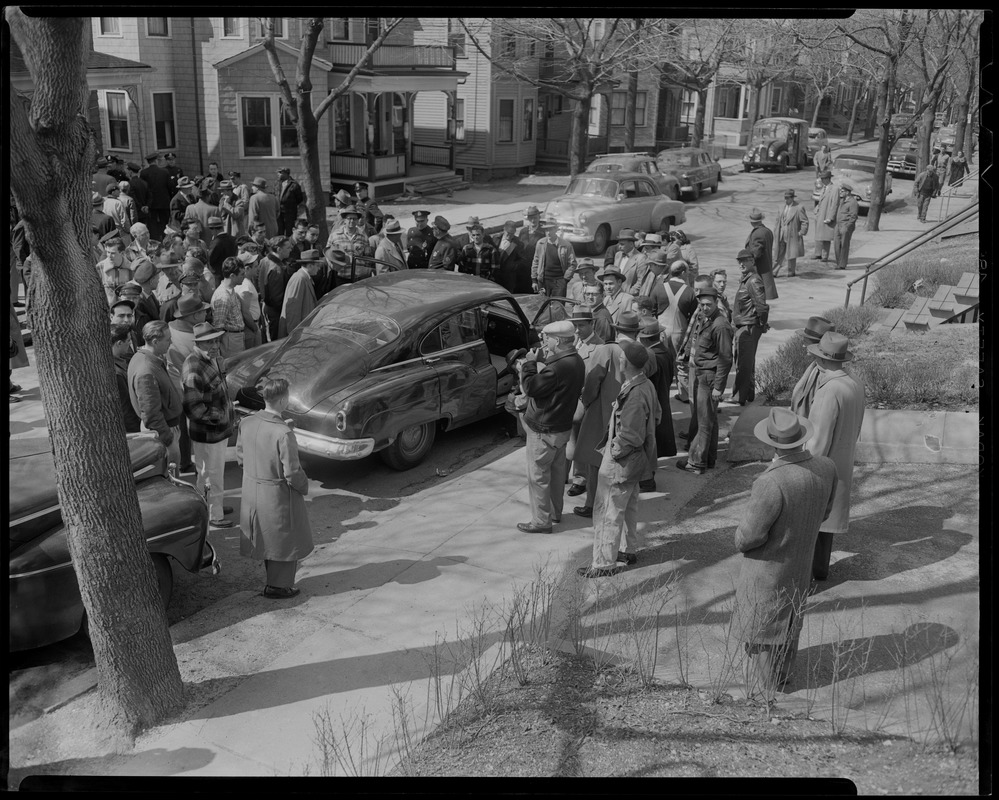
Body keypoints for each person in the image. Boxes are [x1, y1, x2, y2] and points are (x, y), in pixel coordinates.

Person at [732, 407, 837, 701]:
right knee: (790, 622)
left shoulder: (771, 482)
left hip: (767, 571)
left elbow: (749, 536)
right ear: (802, 437)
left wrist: (738, 537)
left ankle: (769, 697)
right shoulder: (826, 467)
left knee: (763, 634)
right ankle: (785, 676)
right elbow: (825, 512)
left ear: (771, 442)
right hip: (801, 563)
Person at [577, 340, 660, 578]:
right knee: (629, 506)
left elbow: (630, 436)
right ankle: (627, 549)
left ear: (627, 363)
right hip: (637, 460)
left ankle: (603, 564)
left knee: (607, 512)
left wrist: (613, 453)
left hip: (622, 461)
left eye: (622, 356)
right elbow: (657, 418)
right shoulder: (645, 385)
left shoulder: (634, 394)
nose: (619, 358)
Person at [237, 377, 314, 599]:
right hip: (277, 493)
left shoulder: (247, 422)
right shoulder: (283, 433)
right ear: (282, 401)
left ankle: (274, 582)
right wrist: (303, 486)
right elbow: (292, 472)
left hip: (254, 489)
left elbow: (241, 457)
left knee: (266, 538)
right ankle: (279, 587)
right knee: (284, 539)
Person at [797, 332, 866, 581]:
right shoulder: (854, 382)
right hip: (844, 460)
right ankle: (820, 571)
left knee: (812, 522)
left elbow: (818, 439)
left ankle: (808, 576)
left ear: (823, 360)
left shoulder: (830, 390)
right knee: (826, 527)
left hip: (824, 465)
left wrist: (803, 467)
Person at [517, 320, 586, 534]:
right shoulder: (576, 361)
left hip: (544, 430)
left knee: (538, 476)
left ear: (557, 340)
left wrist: (529, 364)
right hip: (562, 428)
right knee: (557, 474)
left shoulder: (557, 368)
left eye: (546, 338)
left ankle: (541, 521)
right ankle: (555, 513)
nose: (544, 343)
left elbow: (530, 388)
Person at [181, 322, 237, 528]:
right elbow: (193, 408)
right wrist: (220, 415)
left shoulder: (210, 360)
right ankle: (214, 515)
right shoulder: (194, 365)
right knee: (209, 475)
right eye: (209, 342)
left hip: (215, 431)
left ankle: (215, 507)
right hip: (209, 432)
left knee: (212, 473)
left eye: (216, 340)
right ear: (198, 343)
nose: (215, 345)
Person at [570, 317, 624, 518]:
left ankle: (593, 504)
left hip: (602, 412)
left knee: (595, 460)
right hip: (625, 415)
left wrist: (584, 401)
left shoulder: (606, 350)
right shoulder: (638, 350)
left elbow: (592, 383)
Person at [676, 286, 732, 475]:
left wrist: (719, 387)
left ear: (716, 302)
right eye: (702, 304)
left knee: (703, 421)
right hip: (702, 373)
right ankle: (708, 459)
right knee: (710, 420)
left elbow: (726, 358)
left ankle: (696, 463)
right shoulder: (705, 318)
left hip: (709, 377)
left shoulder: (720, 325)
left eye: (709, 304)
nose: (705, 307)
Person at [127, 320, 184, 465]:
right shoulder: (146, 370)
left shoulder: (144, 359)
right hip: (162, 431)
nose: (171, 342)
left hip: (163, 428)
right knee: (171, 479)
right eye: (167, 339)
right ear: (155, 341)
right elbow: (151, 414)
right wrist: (168, 438)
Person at [566, 307, 606, 498]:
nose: (578, 329)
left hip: (583, 403)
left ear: (592, 324)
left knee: (580, 442)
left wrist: (584, 402)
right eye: (575, 325)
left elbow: (594, 381)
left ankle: (580, 478)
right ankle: (568, 474)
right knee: (570, 441)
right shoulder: (576, 342)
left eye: (582, 325)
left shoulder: (599, 347)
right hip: (569, 400)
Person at [638, 317, 676, 492]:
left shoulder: (651, 357)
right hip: (663, 396)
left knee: (649, 441)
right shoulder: (666, 351)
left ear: (644, 338)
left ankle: (647, 479)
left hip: (654, 403)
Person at [730, 249, 769, 406]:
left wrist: (761, 323)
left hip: (748, 327)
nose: (741, 263)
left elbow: (762, 307)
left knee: (743, 364)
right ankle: (748, 394)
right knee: (747, 361)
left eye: (745, 260)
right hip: (746, 326)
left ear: (752, 262)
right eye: (739, 261)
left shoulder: (753, 281)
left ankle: (739, 396)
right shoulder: (747, 279)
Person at [789, 316, 837, 418]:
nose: (803, 346)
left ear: (817, 345)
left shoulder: (824, 374)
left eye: (806, 342)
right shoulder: (815, 365)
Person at [657, 260, 697, 358]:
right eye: (687, 272)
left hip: (660, 332)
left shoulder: (659, 288)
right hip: (679, 335)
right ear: (683, 273)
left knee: (661, 361)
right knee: (678, 365)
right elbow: (694, 316)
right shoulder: (690, 292)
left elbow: (652, 310)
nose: (688, 274)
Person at [278, 249, 321, 338]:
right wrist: (294, 336)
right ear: (310, 265)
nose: (319, 268)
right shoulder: (299, 279)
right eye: (317, 265)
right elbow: (293, 310)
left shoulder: (305, 278)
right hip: (296, 334)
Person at [210, 257, 247, 359]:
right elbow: (218, 327)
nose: (244, 276)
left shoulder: (230, 290)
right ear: (232, 276)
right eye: (242, 274)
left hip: (236, 337)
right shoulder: (223, 297)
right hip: (231, 340)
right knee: (234, 368)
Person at [111, 324, 142, 432]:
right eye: (128, 341)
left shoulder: (119, 363)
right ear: (119, 343)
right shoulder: (116, 374)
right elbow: (126, 408)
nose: (130, 344)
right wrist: (137, 431)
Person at [531, 223, 576, 296]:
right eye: (546, 230)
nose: (548, 232)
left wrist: (565, 279)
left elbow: (572, 263)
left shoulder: (566, 245)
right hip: (543, 280)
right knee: (543, 304)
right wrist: (534, 280)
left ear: (556, 229)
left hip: (559, 281)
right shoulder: (540, 243)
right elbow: (535, 261)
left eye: (550, 229)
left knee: (557, 305)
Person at [773, 189, 809, 278]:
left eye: (788, 198)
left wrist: (801, 232)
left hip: (792, 234)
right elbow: (778, 220)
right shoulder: (782, 207)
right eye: (785, 198)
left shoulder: (799, 207)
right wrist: (775, 230)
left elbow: (805, 221)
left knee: (791, 254)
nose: (786, 200)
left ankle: (791, 272)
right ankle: (774, 271)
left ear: (792, 198)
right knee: (779, 254)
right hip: (781, 234)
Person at [745, 207, 777, 300]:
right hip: (766, 268)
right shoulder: (767, 231)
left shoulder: (757, 233)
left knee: (757, 296)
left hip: (759, 271)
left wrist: (748, 262)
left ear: (752, 222)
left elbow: (756, 253)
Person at [234, 249, 264, 350]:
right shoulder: (245, 286)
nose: (258, 269)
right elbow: (245, 312)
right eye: (255, 267)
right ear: (246, 269)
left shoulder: (246, 282)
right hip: (250, 328)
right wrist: (255, 329)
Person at [139, 152, 172, 241]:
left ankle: (155, 240)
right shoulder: (164, 172)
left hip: (151, 203)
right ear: (156, 161)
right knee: (164, 223)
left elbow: (143, 189)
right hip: (163, 202)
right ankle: (166, 240)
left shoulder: (144, 173)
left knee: (152, 223)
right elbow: (170, 187)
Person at [813, 170, 839, 261]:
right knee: (818, 235)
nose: (822, 180)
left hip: (826, 215)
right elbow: (820, 201)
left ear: (828, 178)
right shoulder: (823, 188)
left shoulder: (834, 189)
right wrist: (816, 210)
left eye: (823, 179)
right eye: (821, 179)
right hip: (820, 214)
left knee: (825, 236)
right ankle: (817, 253)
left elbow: (834, 204)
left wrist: (830, 217)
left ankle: (824, 255)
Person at [833, 183, 859, 270]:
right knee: (836, 244)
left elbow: (853, 216)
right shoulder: (842, 200)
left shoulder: (853, 202)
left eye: (842, 191)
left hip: (845, 226)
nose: (840, 192)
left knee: (844, 245)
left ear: (847, 192)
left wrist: (847, 226)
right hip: (838, 225)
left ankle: (842, 264)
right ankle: (838, 263)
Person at [494, 220, 525, 292]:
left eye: (512, 234)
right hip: (495, 275)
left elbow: (522, 260)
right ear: (504, 230)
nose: (510, 236)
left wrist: (512, 266)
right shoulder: (495, 238)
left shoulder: (518, 243)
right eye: (508, 233)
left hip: (508, 278)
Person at [276, 167, 305, 236]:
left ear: (286, 173)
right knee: (279, 231)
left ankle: (289, 245)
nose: (278, 174)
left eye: (280, 172)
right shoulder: (277, 183)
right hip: (278, 212)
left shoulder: (294, 185)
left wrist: (290, 205)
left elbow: (299, 198)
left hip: (289, 213)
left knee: (289, 231)